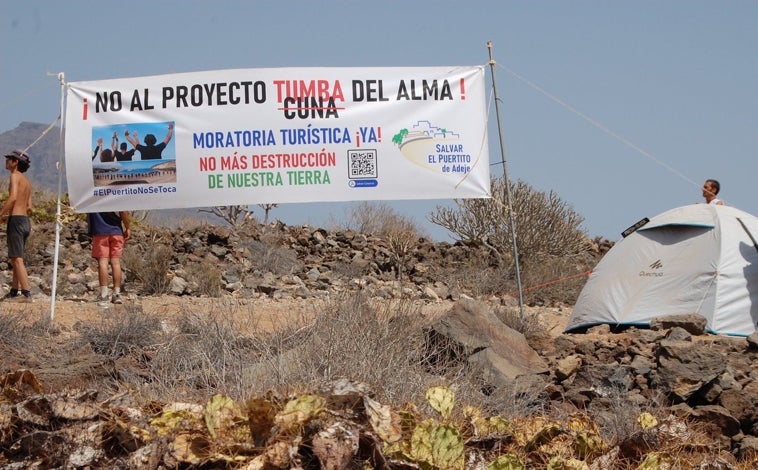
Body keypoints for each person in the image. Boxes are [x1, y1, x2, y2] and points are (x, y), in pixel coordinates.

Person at [0, 149, 33, 301]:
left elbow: (13, 197)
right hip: (25, 221)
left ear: (16, 162)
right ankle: (14, 290)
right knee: (16, 257)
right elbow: (29, 206)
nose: (7, 161)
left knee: (17, 259)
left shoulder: (14, 176)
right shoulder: (26, 181)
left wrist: (1, 214)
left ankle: (26, 293)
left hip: (17, 221)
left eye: (10, 159)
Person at [87, 211, 131, 305]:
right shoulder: (115, 196)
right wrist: (127, 227)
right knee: (116, 262)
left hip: (100, 232)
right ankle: (117, 294)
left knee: (103, 262)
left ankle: (104, 294)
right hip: (116, 231)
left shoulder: (93, 196)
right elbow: (123, 212)